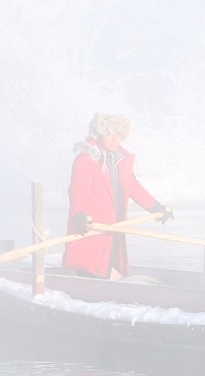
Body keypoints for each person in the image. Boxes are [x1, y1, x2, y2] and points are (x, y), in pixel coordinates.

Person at [62, 113, 171, 278]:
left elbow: (133, 187)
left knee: (107, 272)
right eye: (109, 133)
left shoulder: (121, 161)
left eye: (118, 134)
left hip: (113, 232)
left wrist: (156, 207)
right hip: (90, 231)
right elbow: (78, 189)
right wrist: (78, 214)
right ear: (99, 134)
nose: (114, 139)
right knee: (90, 272)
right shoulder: (86, 159)